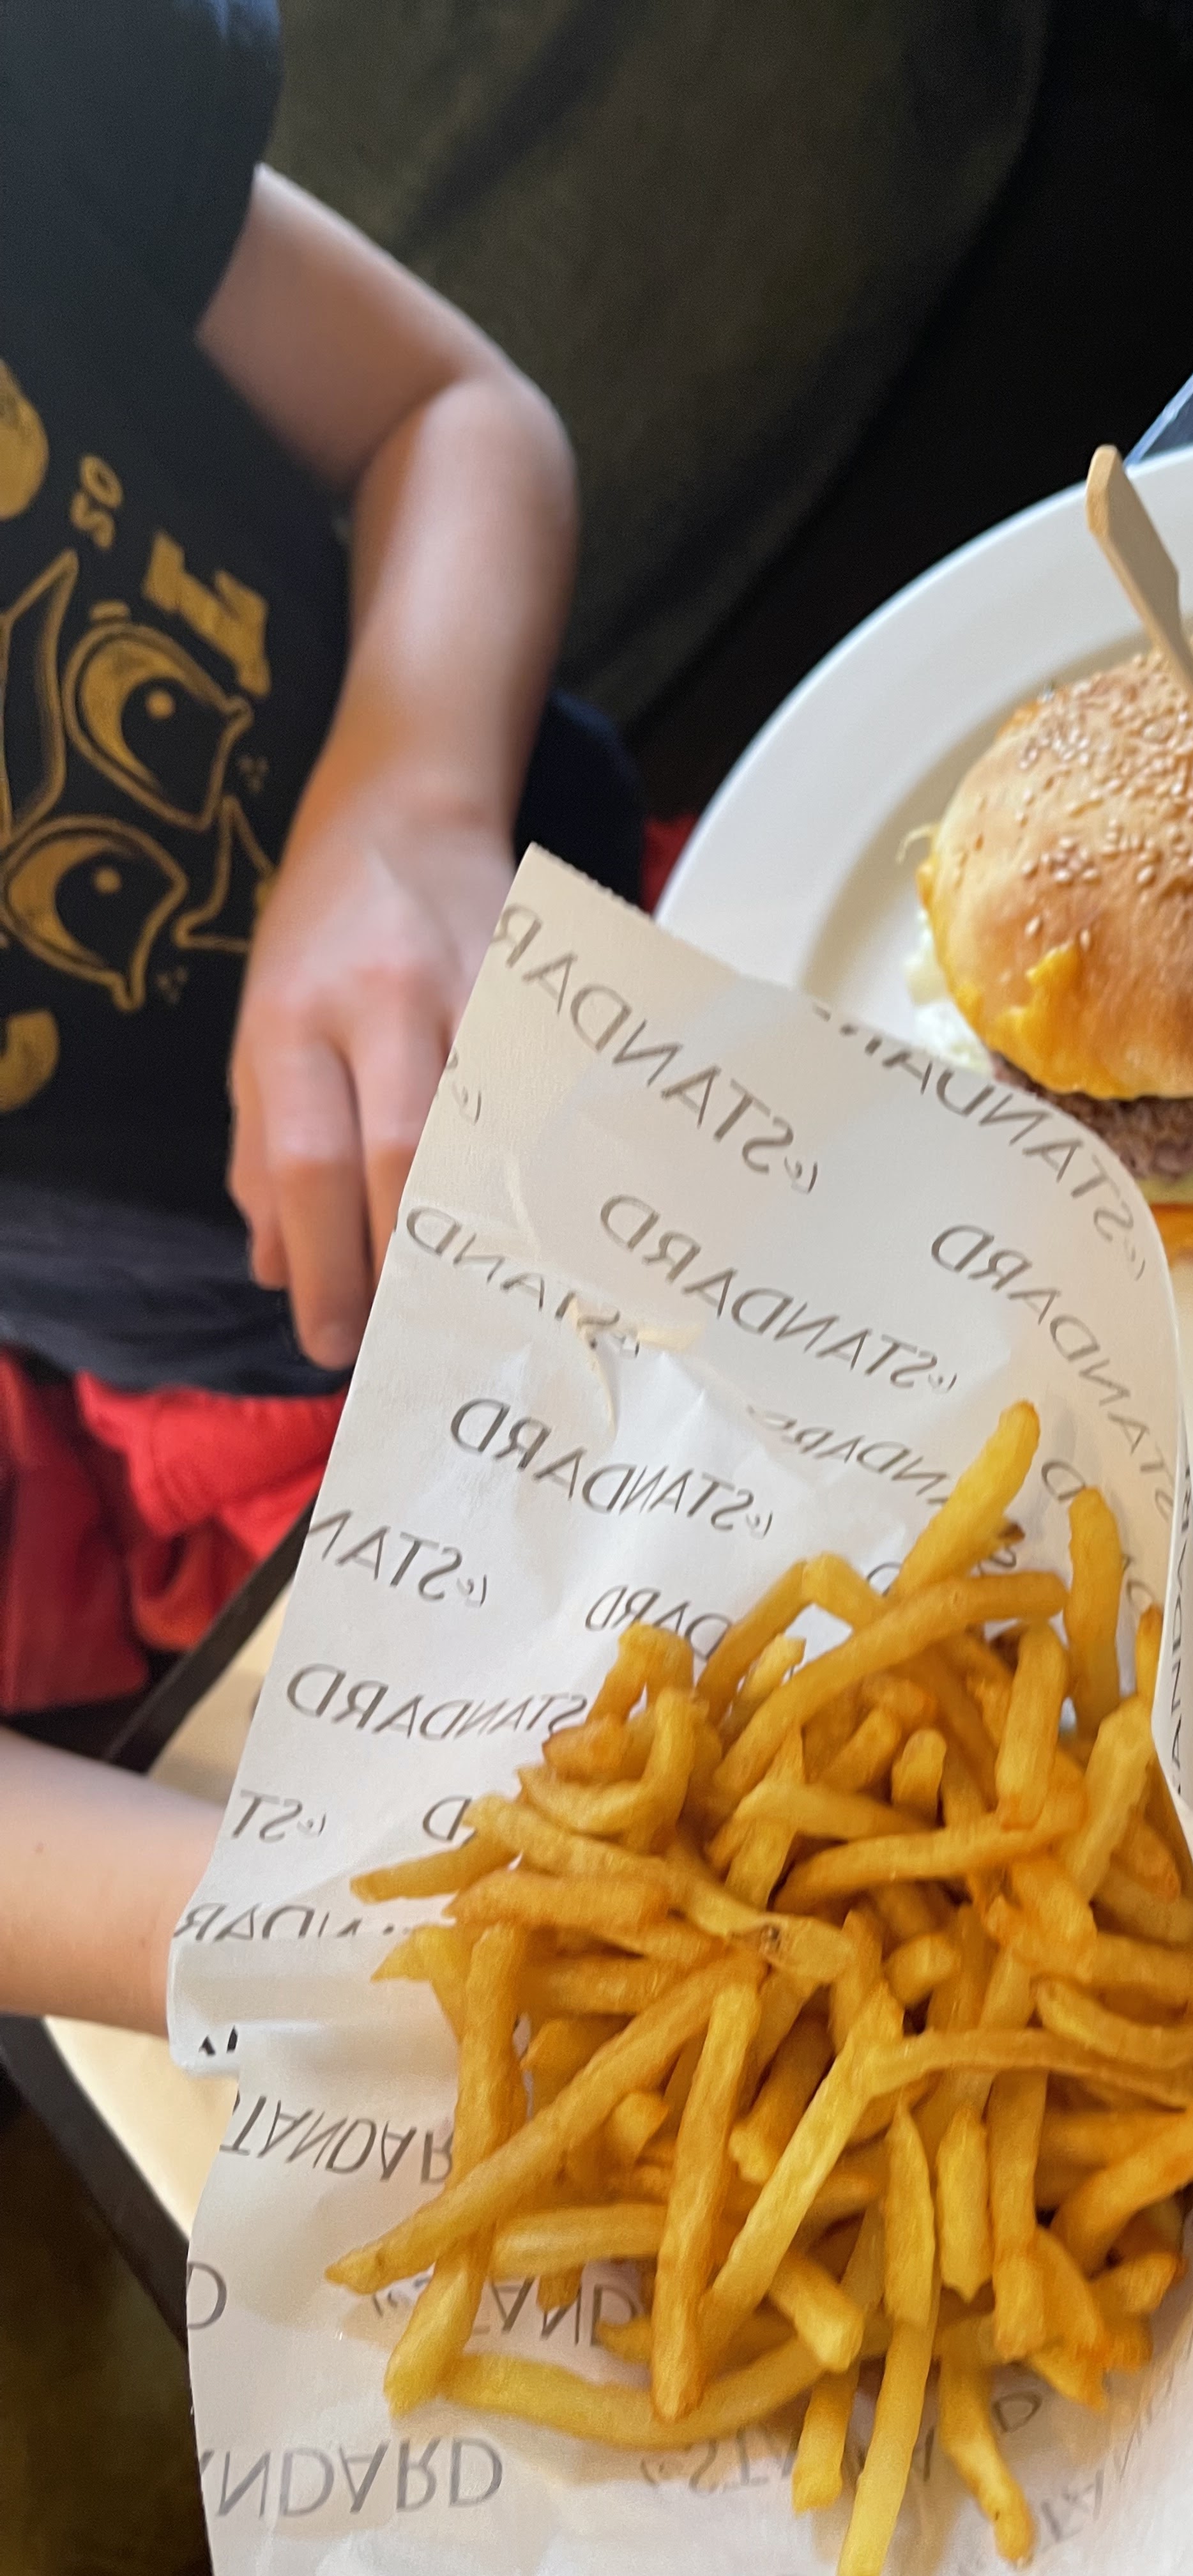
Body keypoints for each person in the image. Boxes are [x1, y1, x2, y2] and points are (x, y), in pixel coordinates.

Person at [0, 0, 639, 2030]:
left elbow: (448, 409)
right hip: (300, 1384)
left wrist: (406, 792)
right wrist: (357, 1936)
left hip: (645, 980)